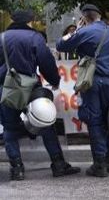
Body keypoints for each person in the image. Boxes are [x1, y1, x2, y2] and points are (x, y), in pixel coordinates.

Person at [0, 9, 80, 181]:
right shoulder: (35, 37)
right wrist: (55, 80)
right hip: (32, 87)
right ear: (30, 21)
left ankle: (17, 169)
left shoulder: (2, 37)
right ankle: (58, 165)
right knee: (45, 122)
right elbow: (46, 62)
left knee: (9, 128)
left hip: (7, 88)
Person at [56, 4, 109, 177]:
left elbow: (61, 45)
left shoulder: (83, 32)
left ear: (84, 18)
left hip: (91, 83)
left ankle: (99, 164)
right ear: (99, 16)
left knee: (95, 121)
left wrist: (76, 30)